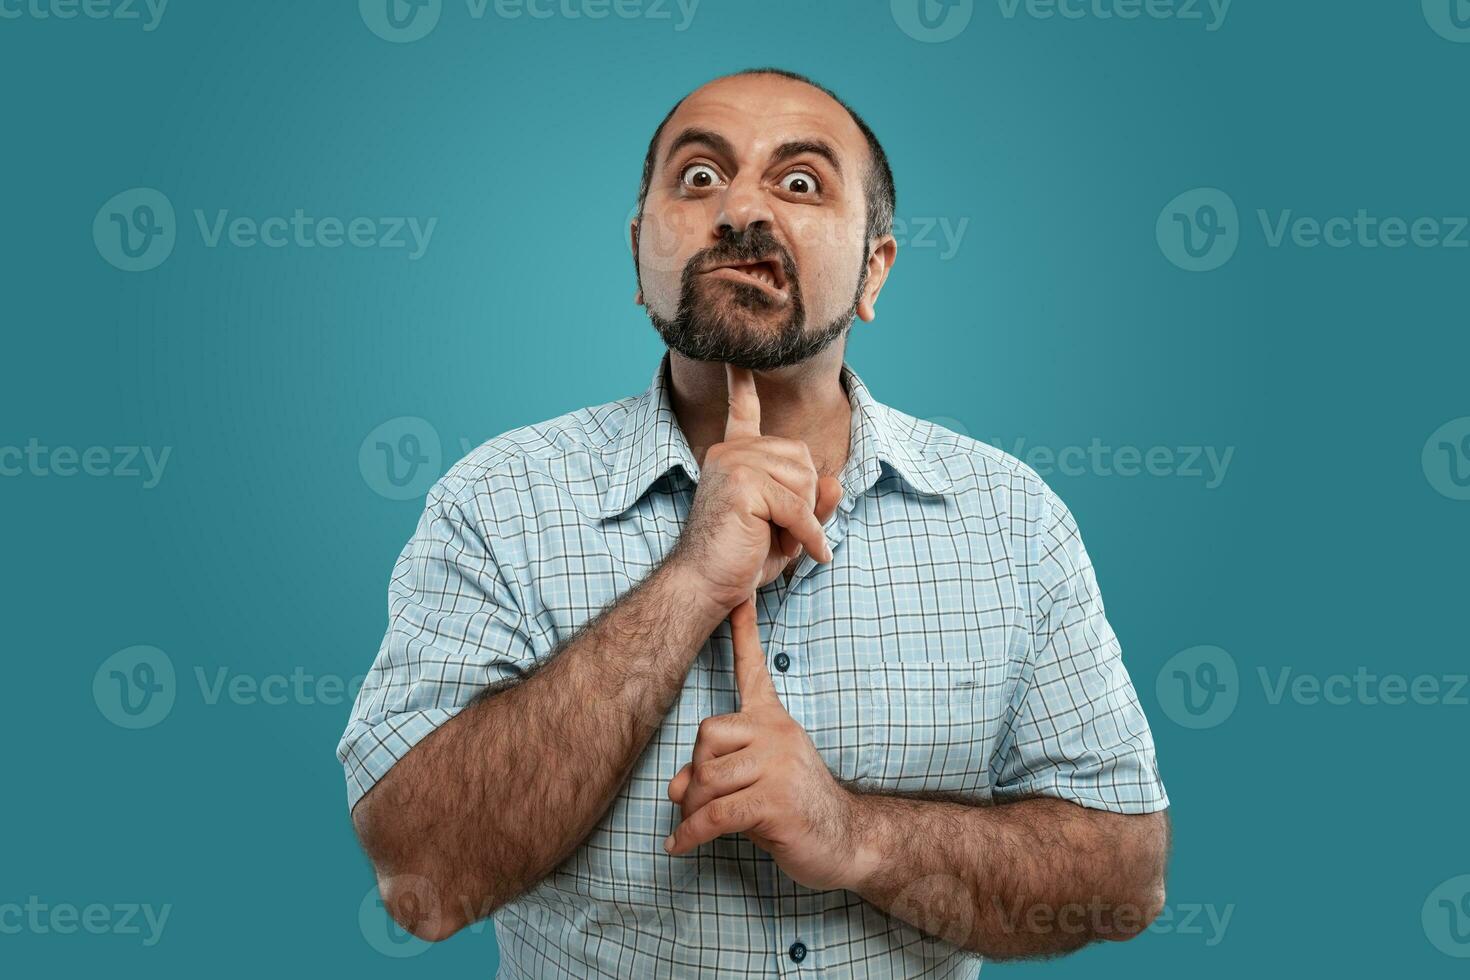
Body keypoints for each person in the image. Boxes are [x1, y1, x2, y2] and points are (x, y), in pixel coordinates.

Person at [338, 67, 1170, 977]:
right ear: (637, 254)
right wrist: (692, 580)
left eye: (801, 181)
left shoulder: (1014, 521)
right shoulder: (495, 500)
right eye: (698, 177)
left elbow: (1125, 879)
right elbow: (421, 881)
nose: (739, 210)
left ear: (874, 269)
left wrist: (854, 835)